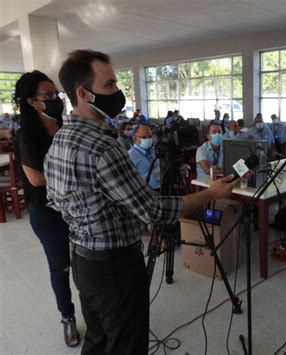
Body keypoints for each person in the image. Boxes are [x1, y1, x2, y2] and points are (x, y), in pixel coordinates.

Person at [45, 49, 238, 355]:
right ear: (82, 93)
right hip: (115, 266)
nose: (117, 92)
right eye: (109, 85)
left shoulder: (59, 140)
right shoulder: (103, 148)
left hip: (82, 260)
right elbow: (154, 210)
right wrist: (211, 194)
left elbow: (53, 200)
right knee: (126, 344)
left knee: (98, 340)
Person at [13, 70, 80, 347]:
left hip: (76, 205)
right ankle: (68, 317)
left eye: (56, 94)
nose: (55, 100)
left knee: (88, 262)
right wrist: (76, 172)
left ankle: (96, 310)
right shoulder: (27, 136)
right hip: (47, 212)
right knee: (61, 266)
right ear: (32, 101)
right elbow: (37, 179)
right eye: (48, 95)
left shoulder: (64, 127)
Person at [128, 125, 160, 191]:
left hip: (161, 185)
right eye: (144, 137)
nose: (148, 139)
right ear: (135, 138)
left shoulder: (152, 150)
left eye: (150, 136)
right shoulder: (131, 156)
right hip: (149, 192)